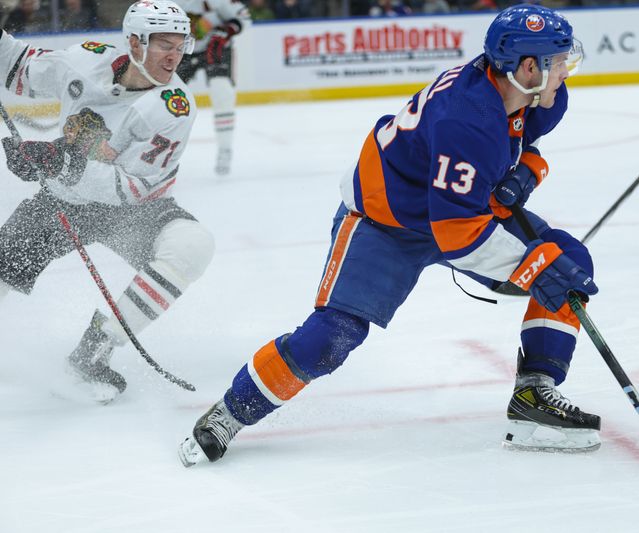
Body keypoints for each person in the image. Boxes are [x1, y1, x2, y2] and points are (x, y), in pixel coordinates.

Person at [179, 4, 600, 467]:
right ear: (525, 68)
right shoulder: (466, 118)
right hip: (384, 222)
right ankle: (231, 413)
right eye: (558, 61)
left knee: (568, 260)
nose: (565, 70)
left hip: (453, 209)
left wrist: (526, 173)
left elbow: (523, 145)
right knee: (331, 337)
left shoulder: (536, 93)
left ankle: (533, 397)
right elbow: (457, 233)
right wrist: (534, 266)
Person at [0, 0, 214, 403]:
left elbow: (132, 188)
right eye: (163, 44)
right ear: (134, 42)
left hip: (135, 211)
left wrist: (56, 161)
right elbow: (17, 66)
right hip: (63, 200)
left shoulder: (172, 109)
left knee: (192, 245)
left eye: (180, 44)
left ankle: (93, 353)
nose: (174, 55)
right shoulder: (85, 61)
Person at [174, 0, 251, 176]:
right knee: (163, 96)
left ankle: (225, 149)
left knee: (222, 92)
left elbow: (243, 17)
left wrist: (225, 31)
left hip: (216, 48)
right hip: (181, 51)